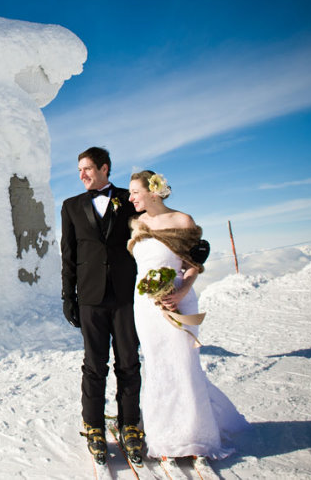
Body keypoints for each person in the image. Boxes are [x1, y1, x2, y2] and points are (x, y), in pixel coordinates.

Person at [127, 170, 248, 467]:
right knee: (157, 365)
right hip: (145, 305)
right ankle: (164, 439)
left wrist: (181, 292)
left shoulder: (183, 221)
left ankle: (197, 438)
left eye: (135, 192)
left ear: (153, 192)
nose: (130, 198)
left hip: (180, 301)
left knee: (184, 363)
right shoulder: (139, 223)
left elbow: (194, 265)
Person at [60, 147, 144, 464]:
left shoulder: (128, 199)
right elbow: (69, 255)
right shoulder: (70, 207)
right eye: (79, 170)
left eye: (88, 169)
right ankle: (93, 425)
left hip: (125, 297)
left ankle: (130, 425)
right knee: (94, 365)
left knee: (128, 362)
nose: (82, 175)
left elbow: (152, 234)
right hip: (91, 299)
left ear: (104, 168)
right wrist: (69, 297)